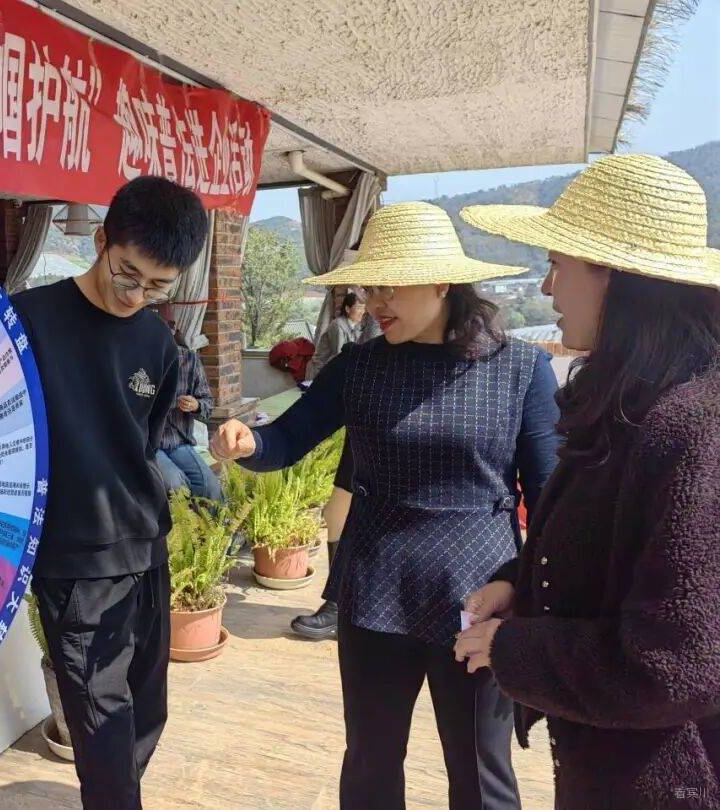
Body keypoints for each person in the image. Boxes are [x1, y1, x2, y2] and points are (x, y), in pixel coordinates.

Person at [211, 201, 561, 810]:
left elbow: (550, 495)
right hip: (376, 586)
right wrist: (247, 444)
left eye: (392, 285)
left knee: (481, 770)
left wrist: (529, 593)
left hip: (480, 592)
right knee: (371, 760)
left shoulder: (520, 369)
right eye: (370, 286)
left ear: (443, 282)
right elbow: (286, 440)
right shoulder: (360, 366)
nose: (376, 301)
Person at [454, 154, 720, 809]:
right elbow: (606, 554)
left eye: (557, 264)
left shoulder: (692, 426)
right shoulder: (633, 401)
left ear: (614, 278)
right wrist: (519, 585)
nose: (548, 288)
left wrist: (514, 649)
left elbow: (677, 662)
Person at [14, 177, 209, 810]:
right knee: (103, 731)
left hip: (147, 548)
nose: (137, 295)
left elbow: (145, 445)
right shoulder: (27, 320)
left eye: (158, 286)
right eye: (128, 274)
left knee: (148, 712)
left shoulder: (155, 341)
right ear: (101, 241)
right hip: (75, 560)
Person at [292, 292, 380, 640]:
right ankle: (338, 603)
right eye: (371, 294)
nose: (376, 303)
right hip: (364, 423)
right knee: (337, 510)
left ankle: (349, 605)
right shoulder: (357, 342)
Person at [155, 328, 223, 501]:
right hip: (150, 445)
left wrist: (196, 405)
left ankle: (213, 519)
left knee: (210, 486)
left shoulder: (190, 360)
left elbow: (208, 405)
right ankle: (186, 517)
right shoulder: (139, 360)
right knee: (175, 485)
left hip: (180, 441)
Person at [306, 290, 378, 380]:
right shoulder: (337, 325)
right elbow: (339, 354)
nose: (362, 312)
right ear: (347, 309)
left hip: (337, 370)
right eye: (359, 308)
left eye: (364, 308)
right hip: (320, 371)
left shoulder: (357, 326)